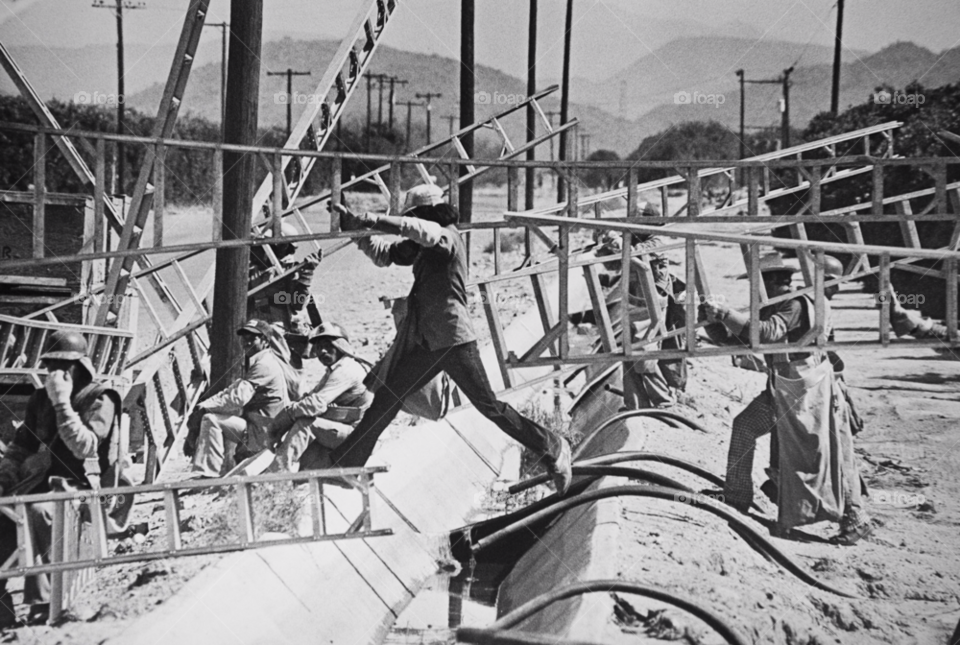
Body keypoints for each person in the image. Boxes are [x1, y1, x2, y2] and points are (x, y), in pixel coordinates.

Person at [328, 183, 572, 493]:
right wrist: (355, 230)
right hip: (430, 343)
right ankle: (348, 464)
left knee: (490, 406)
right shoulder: (423, 245)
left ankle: (552, 446)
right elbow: (385, 254)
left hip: (454, 341)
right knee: (388, 396)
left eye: (414, 218)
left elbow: (420, 231)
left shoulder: (446, 238)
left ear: (426, 214)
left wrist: (371, 218)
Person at [702, 253, 869, 544]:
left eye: (760, 284)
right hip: (784, 388)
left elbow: (767, 333)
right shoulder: (776, 306)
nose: (755, 290)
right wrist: (710, 321)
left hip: (811, 391)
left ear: (776, 282)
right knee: (745, 427)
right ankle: (737, 495)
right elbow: (740, 340)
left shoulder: (795, 304)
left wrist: (725, 312)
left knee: (831, 455)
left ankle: (855, 519)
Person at [0, 331, 122, 626]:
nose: (55, 371)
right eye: (51, 364)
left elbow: (84, 448)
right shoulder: (40, 399)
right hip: (40, 483)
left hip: (83, 489)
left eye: (62, 365)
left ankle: (45, 604)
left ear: (78, 367)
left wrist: (62, 404)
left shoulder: (99, 398)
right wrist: (6, 473)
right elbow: (21, 445)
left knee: (38, 511)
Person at [184, 319, 289, 478]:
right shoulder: (258, 360)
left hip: (265, 431)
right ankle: (211, 472)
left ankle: (207, 474)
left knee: (209, 419)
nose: (246, 342)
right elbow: (231, 391)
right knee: (208, 416)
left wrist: (204, 409)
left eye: (252, 338)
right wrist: (203, 405)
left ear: (265, 341)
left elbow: (237, 398)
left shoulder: (264, 364)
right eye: (244, 337)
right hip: (261, 427)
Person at [266, 322, 373, 471]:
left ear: (341, 345)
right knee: (309, 452)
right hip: (351, 432)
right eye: (317, 347)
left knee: (306, 424)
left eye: (328, 345)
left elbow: (314, 404)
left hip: (361, 436)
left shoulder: (347, 369)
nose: (322, 351)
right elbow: (308, 399)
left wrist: (278, 424)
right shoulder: (333, 370)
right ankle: (290, 484)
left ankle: (273, 477)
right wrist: (281, 424)